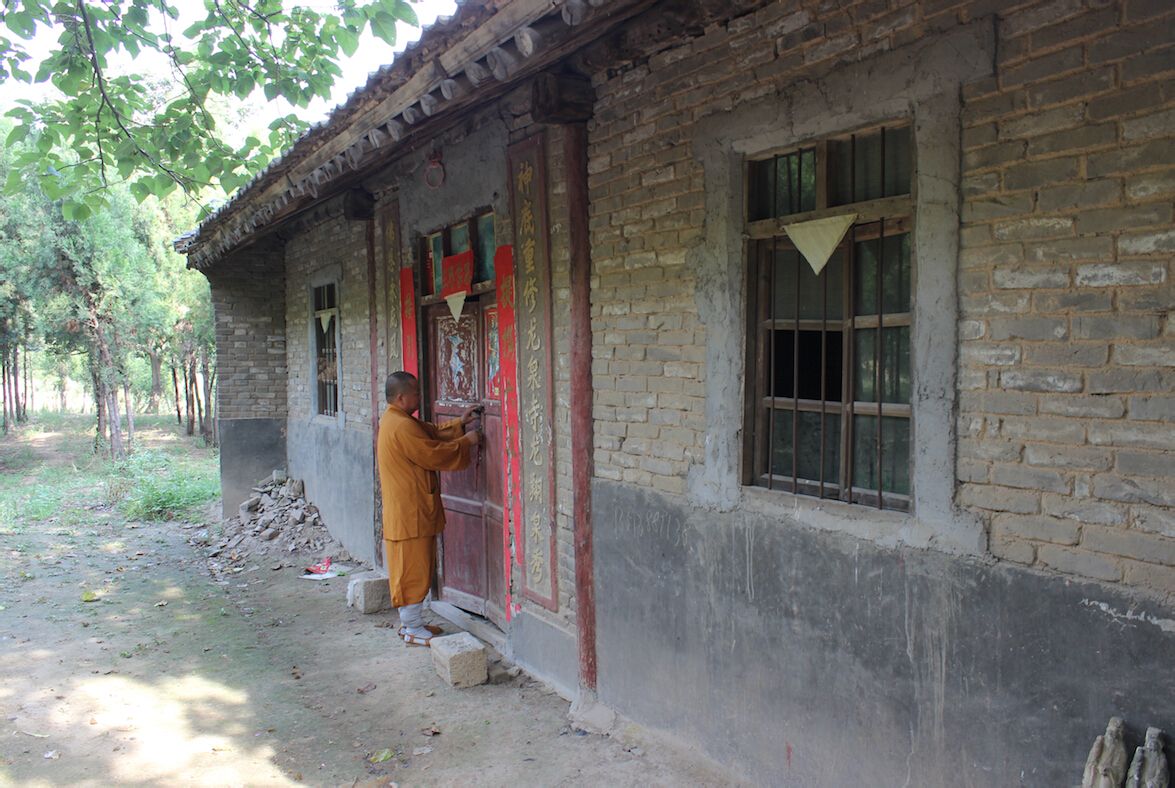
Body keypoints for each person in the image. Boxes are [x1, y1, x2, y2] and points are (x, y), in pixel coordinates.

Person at [377, 371, 482, 646]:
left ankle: (412, 623)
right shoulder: (399, 425)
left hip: (410, 509)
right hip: (409, 511)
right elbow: (431, 452)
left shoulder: (398, 420)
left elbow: (430, 433)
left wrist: (460, 423)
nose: (419, 397)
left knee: (415, 564)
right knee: (413, 568)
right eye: (415, 393)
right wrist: (466, 443)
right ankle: (411, 627)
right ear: (401, 397)